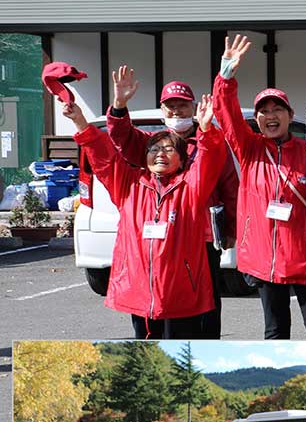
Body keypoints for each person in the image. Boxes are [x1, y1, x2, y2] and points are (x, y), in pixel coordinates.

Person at [63, 94, 228, 339]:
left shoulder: (191, 187)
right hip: (140, 290)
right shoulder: (128, 185)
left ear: (182, 160)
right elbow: (103, 158)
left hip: (181, 293)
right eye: (154, 149)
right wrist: (80, 122)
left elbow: (210, 160)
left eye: (169, 149)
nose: (160, 153)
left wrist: (205, 130)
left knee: (180, 352)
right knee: (146, 352)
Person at [213, 34, 306, 340]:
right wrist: (226, 76)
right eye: (264, 111)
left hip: (305, 258)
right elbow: (226, 114)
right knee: (275, 331)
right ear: (256, 119)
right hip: (264, 260)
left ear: (290, 116)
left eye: (277, 109)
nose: (271, 115)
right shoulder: (249, 148)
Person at [107, 67, 239, 339]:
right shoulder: (152, 143)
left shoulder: (209, 139)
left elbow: (230, 187)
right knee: (161, 293)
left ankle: (204, 349)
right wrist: (119, 106)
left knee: (205, 301)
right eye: (171, 106)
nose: (177, 111)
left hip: (202, 235)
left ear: (193, 107)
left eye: (182, 105)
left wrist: (231, 229)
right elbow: (122, 138)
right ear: (162, 110)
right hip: (164, 237)